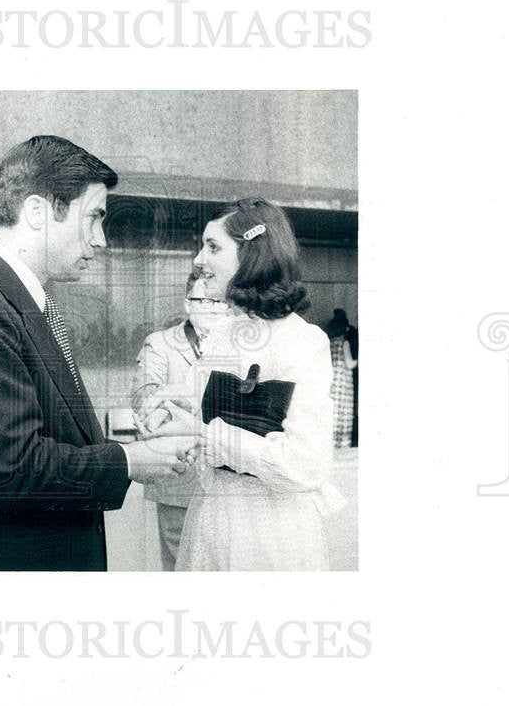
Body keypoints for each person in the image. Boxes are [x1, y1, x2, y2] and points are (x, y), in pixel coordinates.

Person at [0, 135, 196, 571]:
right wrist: (129, 460)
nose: (101, 240)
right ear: (37, 212)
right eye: (94, 218)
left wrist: (135, 447)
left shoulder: (23, 301)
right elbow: (13, 467)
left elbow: (55, 437)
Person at [147, 197, 341, 571]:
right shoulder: (222, 334)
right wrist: (167, 410)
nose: (198, 260)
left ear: (252, 255)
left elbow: (306, 466)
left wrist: (205, 435)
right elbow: (199, 404)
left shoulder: (301, 341)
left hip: (270, 534)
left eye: (213, 247)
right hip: (211, 521)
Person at [130, 272, 230, 570]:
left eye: (220, 301)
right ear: (188, 304)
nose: (213, 308)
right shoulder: (160, 343)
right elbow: (144, 396)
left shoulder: (242, 343)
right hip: (180, 480)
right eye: (203, 300)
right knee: (180, 571)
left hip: (232, 478)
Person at [325, 308, 357, 449]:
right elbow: (350, 364)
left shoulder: (329, 341)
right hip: (343, 384)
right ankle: (341, 447)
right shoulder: (344, 343)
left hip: (331, 383)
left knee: (333, 415)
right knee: (343, 414)